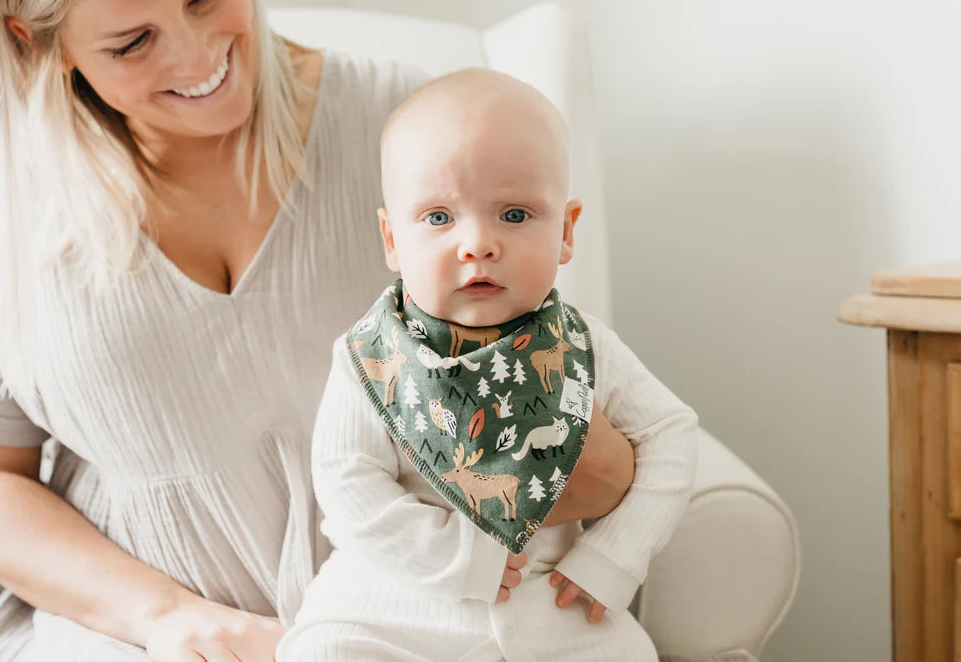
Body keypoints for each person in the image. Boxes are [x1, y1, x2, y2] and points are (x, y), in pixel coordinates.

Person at [0, 0, 639, 660]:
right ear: (34, 40)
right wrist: (164, 619)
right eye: (132, 42)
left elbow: (586, 414)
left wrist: (594, 471)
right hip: (125, 639)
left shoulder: (420, 143)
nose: (196, 57)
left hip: (408, 627)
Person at [277, 70, 699, 661]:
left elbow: (669, 435)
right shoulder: (369, 356)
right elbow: (347, 483)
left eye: (516, 215)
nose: (477, 243)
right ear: (392, 239)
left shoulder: (581, 344)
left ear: (566, 231)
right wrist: (457, 559)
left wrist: (613, 556)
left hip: (550, 602)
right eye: (439, 217)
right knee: (323, 651)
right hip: (391, 606)